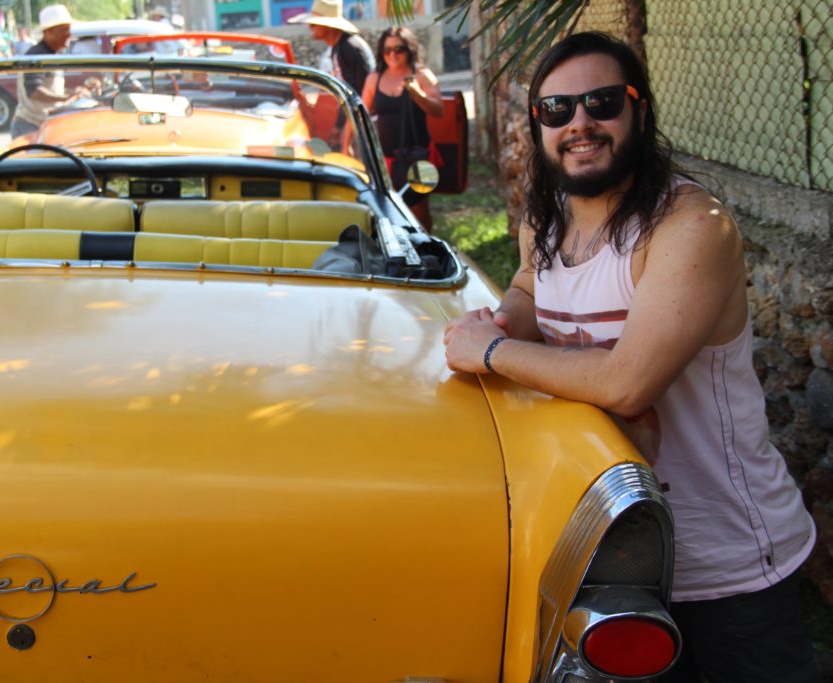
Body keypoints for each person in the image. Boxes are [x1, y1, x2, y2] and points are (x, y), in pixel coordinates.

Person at [444, 32, 818, 683]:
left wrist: (497, 350)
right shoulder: (550, 217)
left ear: (639, 111)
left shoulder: (691, 226)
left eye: (601, 102)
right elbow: (534, 285)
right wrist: (503, 317)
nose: (579, 124)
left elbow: (627, 380)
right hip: (610, 557)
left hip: (728, 563)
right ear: (537, 127)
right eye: (556, 111)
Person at [361, 27, 443, 230]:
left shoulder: (422, 75)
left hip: (416, 155)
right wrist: (347, 145)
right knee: (388, 210)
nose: (393, 55)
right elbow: (361, 113)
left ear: (409, 49)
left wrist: (417, 94)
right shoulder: (375, 78)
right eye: (387, 50)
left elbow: (439, 110)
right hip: (386, 159)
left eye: (399, 49)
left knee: (419, 209)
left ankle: (427, 247)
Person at [9, 4, 91, 139]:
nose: (69, 34)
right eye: (64, 30)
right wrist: (66, 97)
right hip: (30, 125)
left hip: (44, 124)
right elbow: (35, 92)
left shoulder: (51, 55)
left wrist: (74, 93)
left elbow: (50, 90)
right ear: (49, 32)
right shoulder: (36, 56)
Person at [290, 0, 374, 97]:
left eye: (313, 24)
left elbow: (367, 89)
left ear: (328, 26)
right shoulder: (337, 47)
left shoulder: (349, 46)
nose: (310, 28)